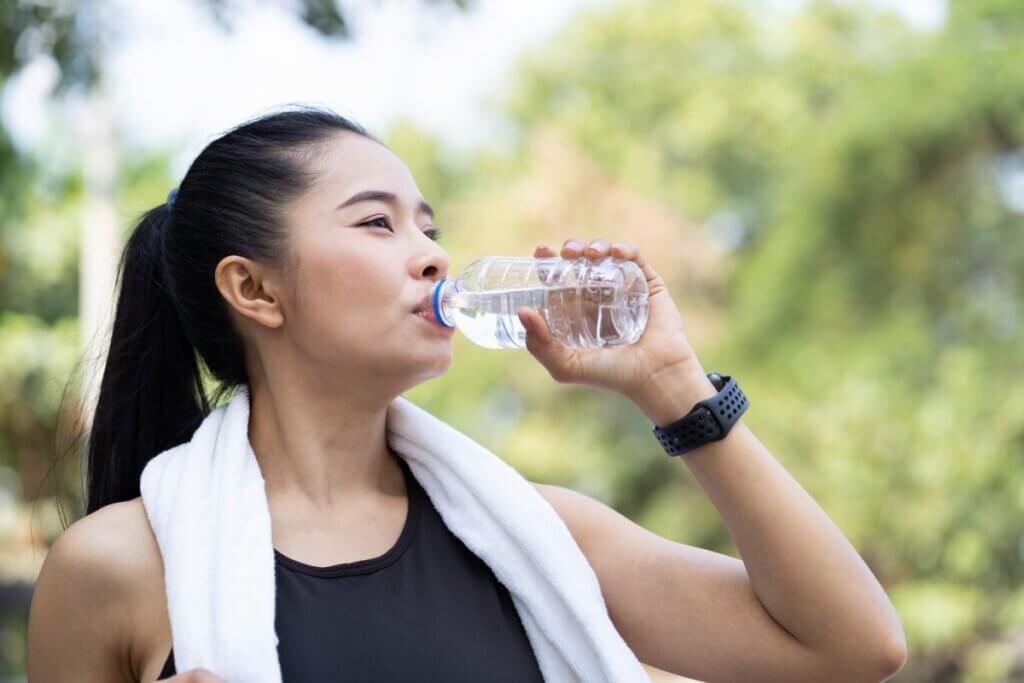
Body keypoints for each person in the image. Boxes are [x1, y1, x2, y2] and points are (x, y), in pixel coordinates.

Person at [26, 105, 906, 682]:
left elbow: (854, 646)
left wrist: (675, 387)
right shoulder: (116, 569)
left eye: (429, 226)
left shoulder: (538, 533)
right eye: (377, 222)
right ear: (255, 290)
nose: (433, 253)